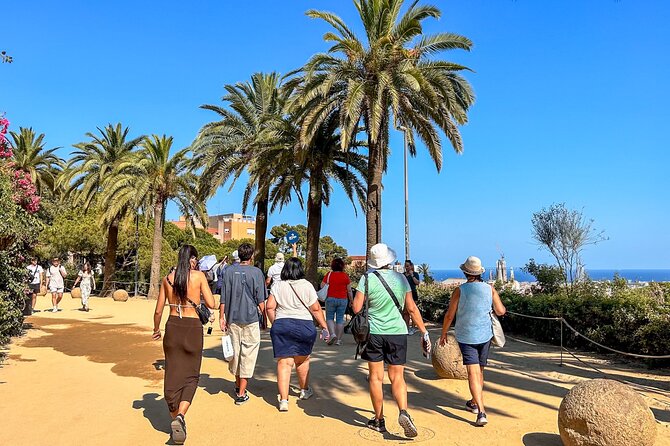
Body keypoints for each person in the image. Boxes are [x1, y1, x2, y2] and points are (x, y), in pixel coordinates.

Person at [351, 243, 432, 438]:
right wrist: (424, 332)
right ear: (389, 260)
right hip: (397, 332)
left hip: (374, 333)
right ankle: (403, 411)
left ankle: (379, 420)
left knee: (375, 377)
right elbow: (411, 308)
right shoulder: (401, 279)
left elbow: (356, 308)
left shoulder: (366, 279)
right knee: (397, 377)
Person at [152, 244, 215, 445]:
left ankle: (175, 415)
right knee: (191, 375)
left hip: (173, 327)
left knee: (172, 373)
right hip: (192, 328)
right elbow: (212, 303)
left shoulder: (167, 279)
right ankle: (180, 416)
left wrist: (156, 329)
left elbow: (158, 311)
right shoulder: (199, 277)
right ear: (193, 259)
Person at [438, 256, 506, 427]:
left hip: (466, 335)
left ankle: (481, 411)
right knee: (479, 371)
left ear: (465, 272)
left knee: (473, 373)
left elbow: (449, 315)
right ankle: (474, 402)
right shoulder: (489, 289)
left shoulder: (459, 290)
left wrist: (444, 333)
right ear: (479, 272)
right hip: (485, 335)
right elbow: (500, 311)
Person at [266, 257, 330, 412]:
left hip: (282, 324)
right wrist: (324, 326)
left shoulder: (278, 285)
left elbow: (270, 307)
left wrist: (276, 323)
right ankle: (304, 390)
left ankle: (283, 400)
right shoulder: (306, 285)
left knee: (284, 363)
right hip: (304, 325)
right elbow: (316, 309)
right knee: (302, 360)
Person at [219, 242, 267, 405]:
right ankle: (241, 392)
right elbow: (261, 299)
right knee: (248, 354)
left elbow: (223, 297)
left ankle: (238, 384)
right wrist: (265, 318)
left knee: (235, 353)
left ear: (239, 255)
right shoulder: (257, 273)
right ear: (251, 256)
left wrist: (221, 317)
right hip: (251, 318)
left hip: (232, 318)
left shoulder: (228, 271)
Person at [321, 257, 352, 346]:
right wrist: (351, 300)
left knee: (330, 318)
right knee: (340, 319)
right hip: (343, 299)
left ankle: (332, 334)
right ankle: (338, 340)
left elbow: (322, 285)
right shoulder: (345, 276)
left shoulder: (329, 274)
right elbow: (349, 290)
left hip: (330, 298)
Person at [403, 260, 421, 335]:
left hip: (413, 293)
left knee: (413, 311)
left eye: (408, 266)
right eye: (405, 266)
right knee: (406, 312)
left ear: (411, 266)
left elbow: (417, 282)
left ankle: (413, 327)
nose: (406, 267)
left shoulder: (415, 274)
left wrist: (412, 275)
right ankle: (406, 327)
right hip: (404, 294)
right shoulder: (403, 275)